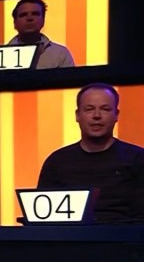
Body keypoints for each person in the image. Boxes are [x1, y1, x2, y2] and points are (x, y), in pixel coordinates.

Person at [37, 83, 144, 224]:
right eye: (89, 109)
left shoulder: (138, 159)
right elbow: (42, 219)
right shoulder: (56, 162)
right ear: (77, 115)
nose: (97, 116)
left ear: (116, 115)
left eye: (105, 109)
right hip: (70, 237)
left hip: (125, 237)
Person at [7, 0, 74, 69]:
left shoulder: (61, 53)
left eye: (35, 14)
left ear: (43, 20)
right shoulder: (2, 56)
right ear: (15, 22)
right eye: (23, 15)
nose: (29, 18)